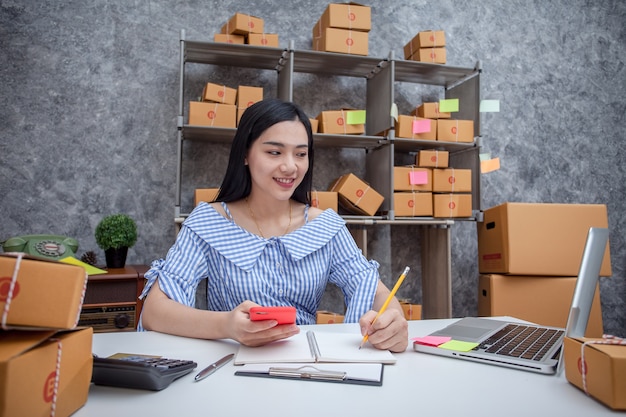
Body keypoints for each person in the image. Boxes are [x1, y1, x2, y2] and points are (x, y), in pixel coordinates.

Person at [139, 98, 408, 352]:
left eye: (300, 154)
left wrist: (391, 322)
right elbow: (155, 310)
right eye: (274, 152)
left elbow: (372, 289)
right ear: (245, 154)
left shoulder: (325, 226)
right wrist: (226, 325)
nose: (290, 167)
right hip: (229, 366)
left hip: (306, 367)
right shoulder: (209, 221)